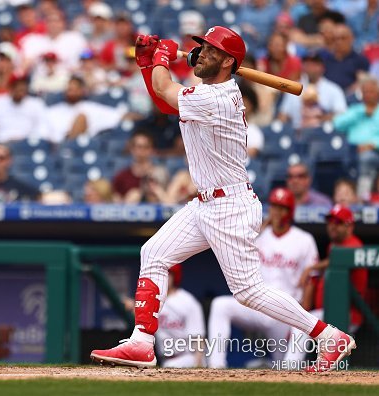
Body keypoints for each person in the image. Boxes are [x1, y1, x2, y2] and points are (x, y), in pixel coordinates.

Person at [90, 26, 356, 372]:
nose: (201, 53)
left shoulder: (217, 98)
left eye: (211, 50)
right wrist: (147, 62)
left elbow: (163, 87)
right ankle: (142, 342)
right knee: (153, 253)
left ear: (229, 61)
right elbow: (162, 100)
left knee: (248, 291)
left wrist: (161, 55)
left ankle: (328, 336)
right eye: (200, 47)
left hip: (230, 206)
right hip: (205, 203)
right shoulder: (205, 91)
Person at [207, 188, 319, 368]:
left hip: (285, 312)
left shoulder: (304, 239)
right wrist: (260, 229)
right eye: (274, 206)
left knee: (284, 367)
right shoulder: (258, 236)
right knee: (220, 305)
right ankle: (215, 366)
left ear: (289, 211)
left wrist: (300, 320)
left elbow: (311, 281)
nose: (276, 211)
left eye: (281, 207)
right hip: (259, 306)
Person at [285, 205, 367, 364]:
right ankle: (292, 368)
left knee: (301, 324)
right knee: (301, 322)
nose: (332, 226)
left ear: (349, 226)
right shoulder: (333, 246)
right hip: (328, 311)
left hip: (348, 314)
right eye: (330, 221)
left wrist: (312, 267)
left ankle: (288, 368)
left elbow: (340, 257)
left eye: (338, 222)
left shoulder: (354, 244)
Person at [277, 52, 346, 131]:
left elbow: (342, 116)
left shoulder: (333, 89)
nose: (310, 67)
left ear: (322, 67)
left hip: (323, 133)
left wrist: (321, 118)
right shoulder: (293, 87)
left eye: (314, 64)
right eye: (307, 63)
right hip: (297, 133)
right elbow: (283, 115)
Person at [155, 264, 205, 368]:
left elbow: (198, 337)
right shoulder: (153, 300)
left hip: (187, 357)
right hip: (165, 359)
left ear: (174, 276)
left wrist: (198, 363)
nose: (163, 278)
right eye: (160, 275)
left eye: (168, 274)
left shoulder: (187, 301)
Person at [0, 76, 50, 143]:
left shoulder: (36, 103)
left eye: (22, 89)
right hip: (2, 142)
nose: (19, 91)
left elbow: (42, 127)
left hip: (27, 143)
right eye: (17, 88)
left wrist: (29, 139)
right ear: (11, 88)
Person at [111, 130, 168, 204]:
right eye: (139, 147)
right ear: (132, 149)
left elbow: (169, 201)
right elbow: (115, 202)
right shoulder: (121, 176)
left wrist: (157, 191)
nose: (142, 151)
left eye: (146, 147)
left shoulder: (161, 173)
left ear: (151, 149)